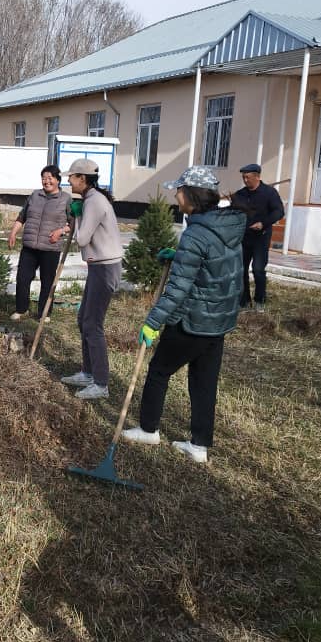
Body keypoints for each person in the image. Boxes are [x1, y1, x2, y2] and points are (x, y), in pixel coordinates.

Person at [121, 166, 246, 463]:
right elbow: (214, 265)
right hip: (219, 321)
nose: (175, 196)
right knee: (204, 382)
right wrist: (178, 256)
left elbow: (177, 289)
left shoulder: (196, 234)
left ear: (191, 195)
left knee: (159, 371)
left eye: (178, 190)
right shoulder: (227, 224)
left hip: (193, 320)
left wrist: (152, 322)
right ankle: (199, 445)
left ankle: (149, 429)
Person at [59, 159, 123, 400]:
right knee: (83, 319)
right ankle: (88, 372)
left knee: (93, 324)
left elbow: (83, 239)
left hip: (106, 269)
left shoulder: (94, 202)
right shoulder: (90, 199)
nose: (68, 181)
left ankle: (101, 383)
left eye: (72, 177)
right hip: (99, 267)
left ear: (83, 179)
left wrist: (77, 219)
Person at [7, 164, 72, 322]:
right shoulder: (34, 196)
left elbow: (74, 224)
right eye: (44, 178)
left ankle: (44, 313)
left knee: (47, 281)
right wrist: (13, 233)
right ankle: (21, 309)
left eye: (50, 178)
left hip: (50, 247)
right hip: (29, 246)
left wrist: (60, 231)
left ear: (58, 180)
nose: (46, 181)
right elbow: (22, 217)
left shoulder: (66, 199)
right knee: (23, 277)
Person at [234, 163, 283, 310]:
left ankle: (260, 300)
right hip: (243, 238)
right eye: (243, 177)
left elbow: (279, 212)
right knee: (241, 270)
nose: (245, 180)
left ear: (257, 177)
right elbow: (234, 213)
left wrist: (263, 223)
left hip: (261, 237)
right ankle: (244, 301)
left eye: (248, 177)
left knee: (258, 269)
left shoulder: (269, 193)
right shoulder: (240, 194)